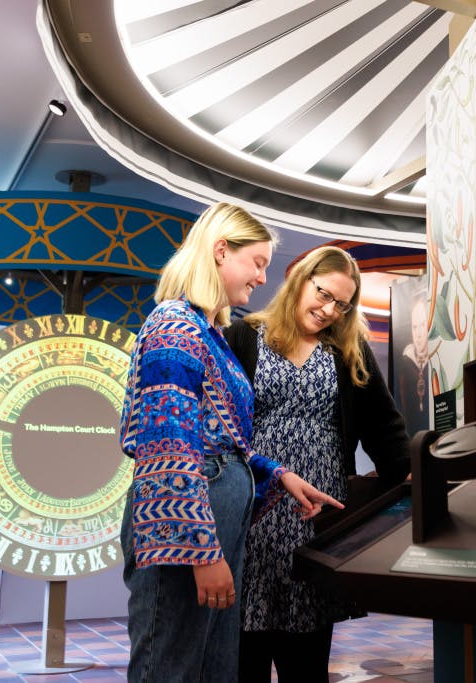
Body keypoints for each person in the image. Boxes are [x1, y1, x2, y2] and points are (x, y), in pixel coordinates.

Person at [118, 203, 342, 682]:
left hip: (214, 521)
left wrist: (278, 474)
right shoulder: (174, 326)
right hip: (190, 530)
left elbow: (221, 439)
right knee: (171, 669)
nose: (263, 278)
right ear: (222, 252)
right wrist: (202, 552)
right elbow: (168, 448)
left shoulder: (208, 332)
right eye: (258, 262)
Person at [223, 245, 411, 682]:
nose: (329, 310)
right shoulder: (242, 336)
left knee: (306, 659)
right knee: (243, 655)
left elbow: (384, 425)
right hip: (252, 513)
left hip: (317, 517)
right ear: (301, 281)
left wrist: (407, 475)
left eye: (341, 305)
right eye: (323, 295)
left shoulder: (349, 350)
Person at [394, 278, 431, 438]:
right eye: (415, 327)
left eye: (423, 325)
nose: (419, 333)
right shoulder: (403, 365)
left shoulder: (438, 362)